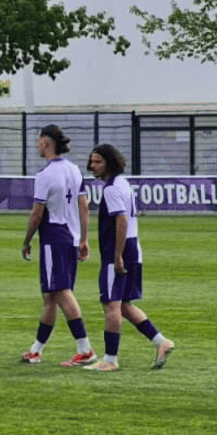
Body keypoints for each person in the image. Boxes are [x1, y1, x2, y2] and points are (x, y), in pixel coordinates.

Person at [83, 144, 175, 371]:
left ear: (109, 163)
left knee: (111, 304)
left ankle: (110, 360)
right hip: (134, 247)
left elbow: (121, 220)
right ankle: (161, 342)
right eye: (92, 161)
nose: (92, 166)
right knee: (124, 305)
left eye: (98, 162)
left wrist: (117, 255)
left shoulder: (112, 189)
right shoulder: (123, 184)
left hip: (120, 250)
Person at [20, 124, 95, 366]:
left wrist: (27, 239)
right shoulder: (74, 170)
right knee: (51, 296)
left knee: (61, 292)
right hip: (71, 236)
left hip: (53, 236)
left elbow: (37, 212)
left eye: (39, 141)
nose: (37, 145)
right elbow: (84, 206)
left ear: (46, 143)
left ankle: (85, 349)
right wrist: (83, 238)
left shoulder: (45, 174)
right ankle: (36, 349)